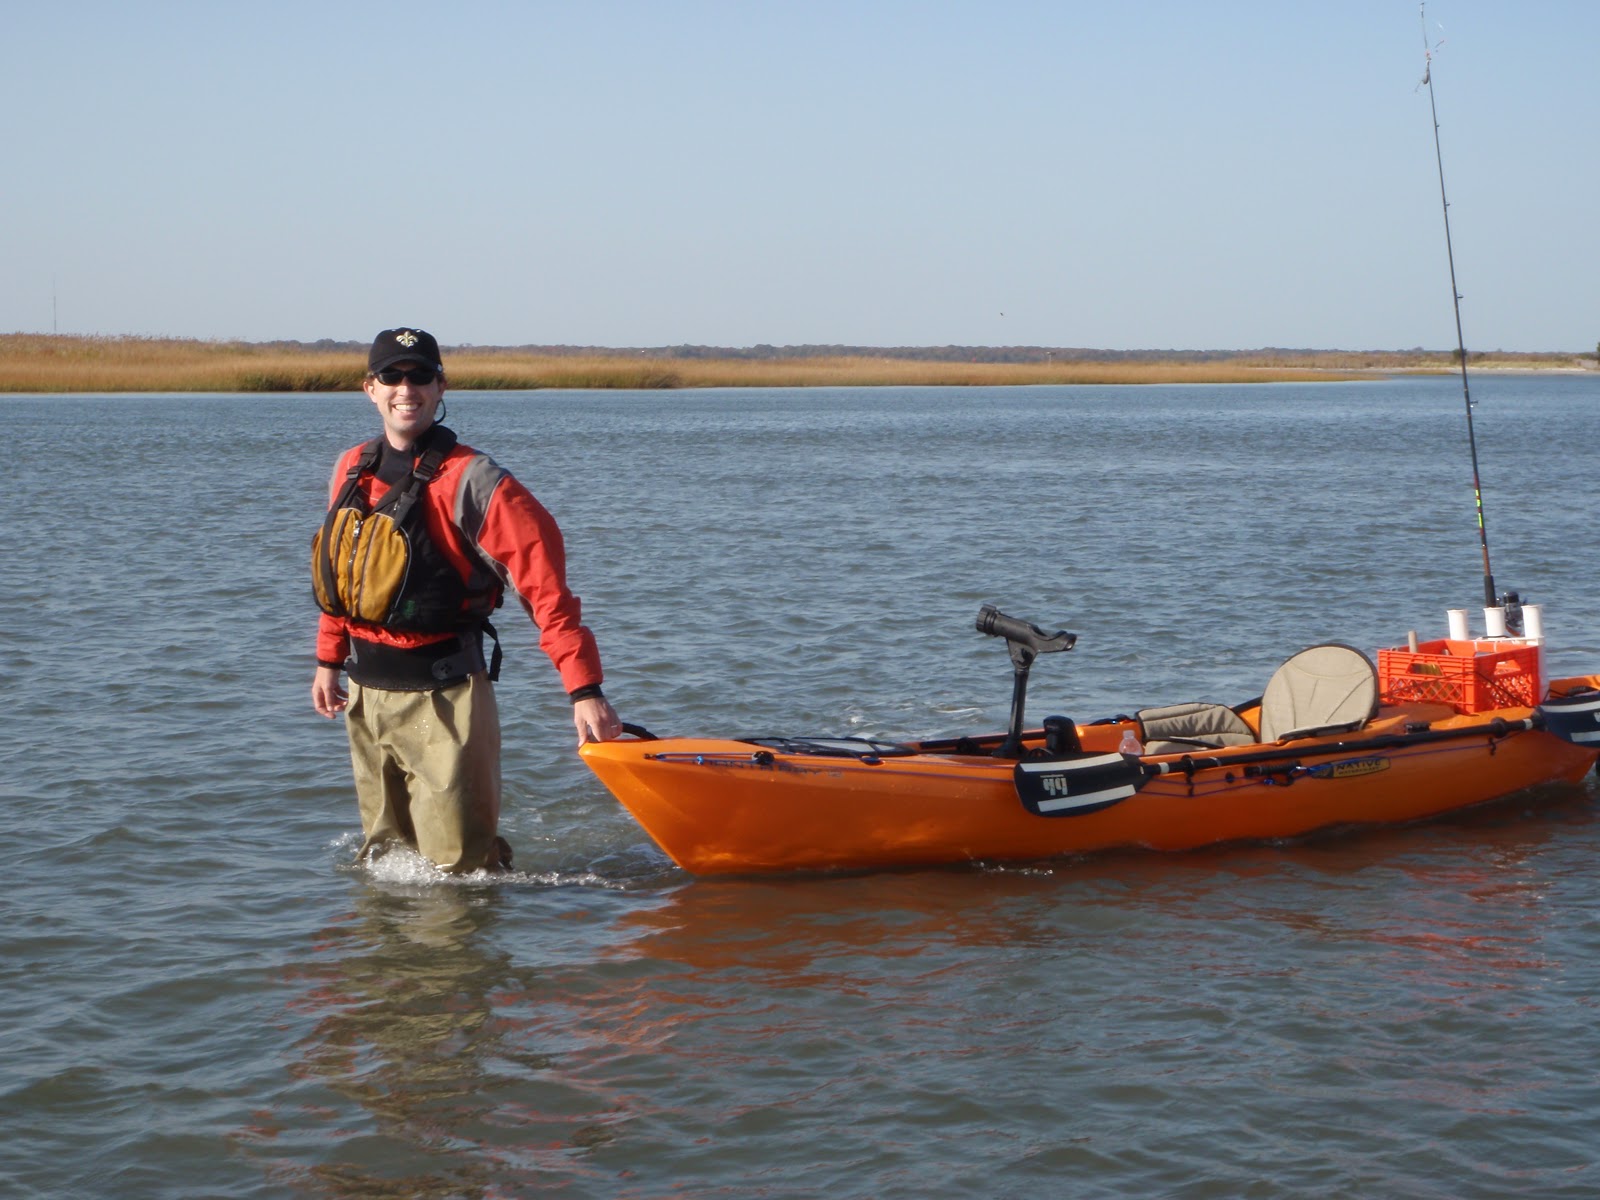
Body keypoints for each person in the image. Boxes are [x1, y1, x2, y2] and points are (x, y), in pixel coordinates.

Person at [311, 327, 620, 872]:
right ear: (370, 388)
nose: (406, 388)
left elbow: (545, 590)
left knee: (460, 875)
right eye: (391, 376)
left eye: (420, 376)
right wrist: (328, 660)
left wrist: (584, 690)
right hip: (365, 696)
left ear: (440, 386)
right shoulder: (350, 468)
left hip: (445, 697)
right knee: (384, 864)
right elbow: (345, 575)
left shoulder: (475, 481)